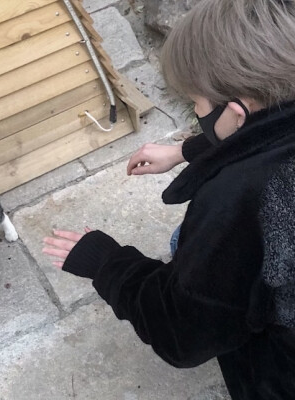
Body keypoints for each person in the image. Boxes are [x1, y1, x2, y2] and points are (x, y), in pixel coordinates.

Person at [42, 1, 295, 398]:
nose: (196, 114)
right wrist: (187, 151)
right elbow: (269, 131)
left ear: (235, 113)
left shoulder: (242, 201)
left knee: (188, 247)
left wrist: (109, 264)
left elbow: (185, 333)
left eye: (196, 104)